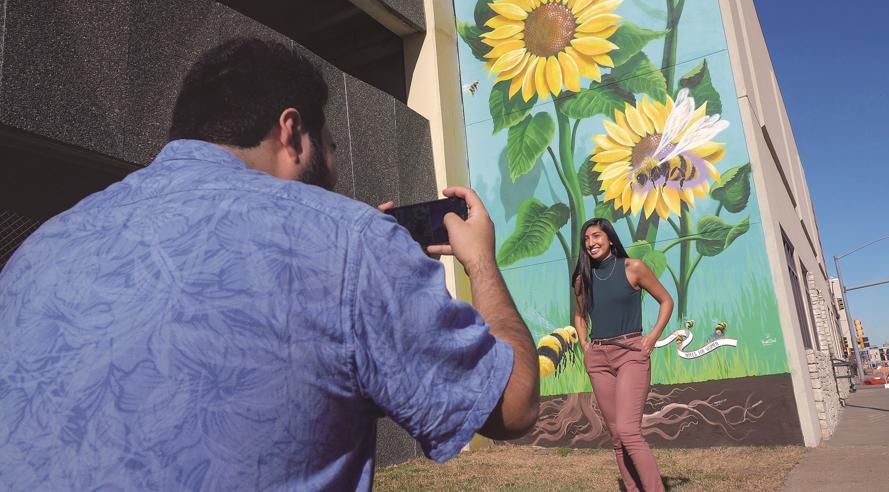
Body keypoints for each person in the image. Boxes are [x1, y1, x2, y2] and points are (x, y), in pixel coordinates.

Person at [0, 38, 539, 490]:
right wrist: (480, 264)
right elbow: (514, 406)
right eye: (329, 153)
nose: (333, 178)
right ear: (291, 131)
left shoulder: (37, 250)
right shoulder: (350, 244)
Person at [571, 218, 674, 492]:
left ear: (610, 239)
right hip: (598, 358)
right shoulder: (583, 278)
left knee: (629, 431)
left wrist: (651, 338)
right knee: (617, 435)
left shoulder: (633, 268)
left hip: (631, 354)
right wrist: (585, 346)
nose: (591, 243)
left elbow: (666, 300)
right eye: (586, 239)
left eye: (596, 236)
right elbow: (580, 316)